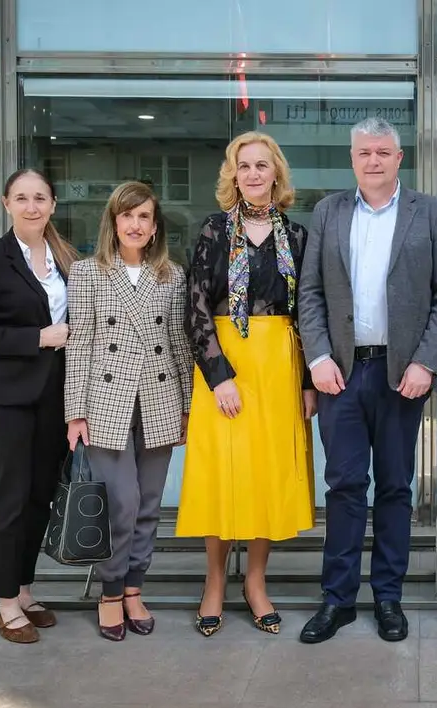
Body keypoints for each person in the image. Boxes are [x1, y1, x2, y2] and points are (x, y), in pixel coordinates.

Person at [297, 117, 437, 644]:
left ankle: (388, 597)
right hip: (340, 375)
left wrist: (426, 362)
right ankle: (338, 599)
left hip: (401, 374)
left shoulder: (430, 213)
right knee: (344, 486)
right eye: (364, 152)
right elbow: (309, 292)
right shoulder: (328, 212)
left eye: (383, 152)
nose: (373, 160)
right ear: (353, 159)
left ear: (399, 158)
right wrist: (317, 357)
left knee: (395, 487)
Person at [175, 131, 316, 637]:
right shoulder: (214, 231)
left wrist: (307, 382)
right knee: (222, 475)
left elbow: (308, 313)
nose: (253, 173)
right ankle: (214, 581)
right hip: (224, 366)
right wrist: (219, 378)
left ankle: (255, 581)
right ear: (233, 176)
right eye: (244, 165)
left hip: (278, 368)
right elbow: (194, 308)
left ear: (276, 173)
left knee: (265, 476)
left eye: (262, 164)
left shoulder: (297, 236)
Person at [0, 168, 78, 644]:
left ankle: (24, 589)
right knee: (12, 496)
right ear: (6, 204)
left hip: (53, 397)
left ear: (53, 204)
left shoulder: (66, 258)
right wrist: (37, 338)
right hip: (1, 398)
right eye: (21, 198)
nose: (31, 206)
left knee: (40, 496)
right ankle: (5, 601)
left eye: (40, 197)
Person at [64, 180, 193, 642]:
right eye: (127, 215)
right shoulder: (87, 272)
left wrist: (187, 407)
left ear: (155, 226)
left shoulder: (172, 275)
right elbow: (79, 344)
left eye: (144, 216)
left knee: (150, 504)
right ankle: (110, 591)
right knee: (121, 503)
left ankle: (135, 588)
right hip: (106, 402)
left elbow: (180, 343)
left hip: (160, 399)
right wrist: (75, 412)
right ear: (113, 222)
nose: (135, 225)